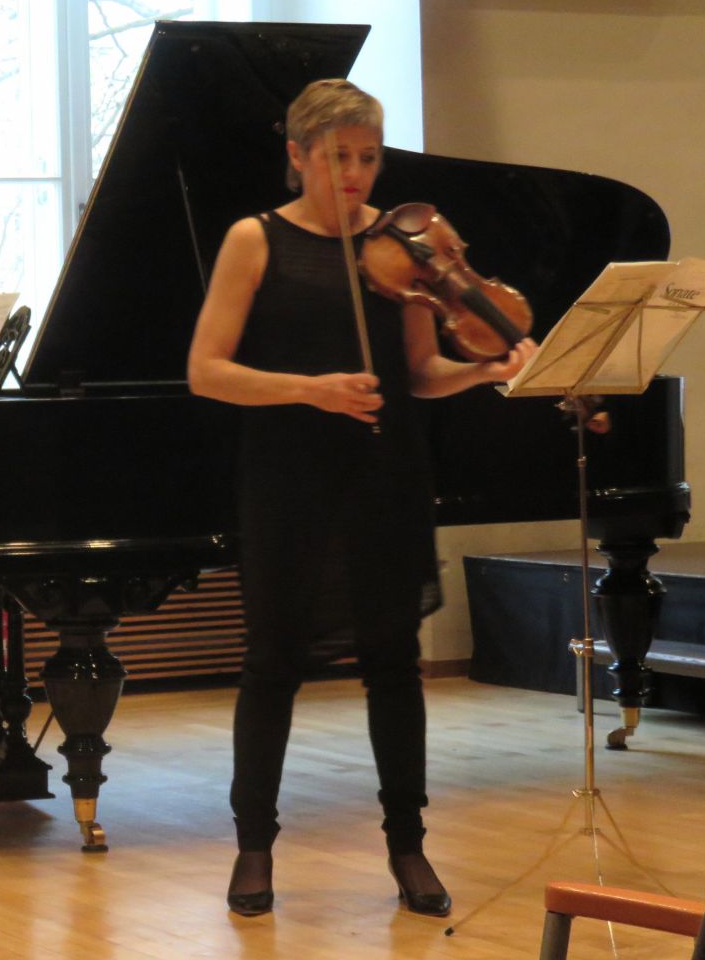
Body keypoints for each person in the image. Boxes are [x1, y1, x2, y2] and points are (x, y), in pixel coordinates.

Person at [186, 79, 537, 918]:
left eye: (368, 157)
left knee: (395, 664)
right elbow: (207, 371)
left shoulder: (400, 249)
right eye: (337, 157)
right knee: (272, 663)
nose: (354, 174)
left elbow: (419, 374)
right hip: (287, 478)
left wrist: (484, 371)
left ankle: (408, 846)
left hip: (386, 474)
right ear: (297, 155)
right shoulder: (256, 238)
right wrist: (309, 390)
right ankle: (254, 848)